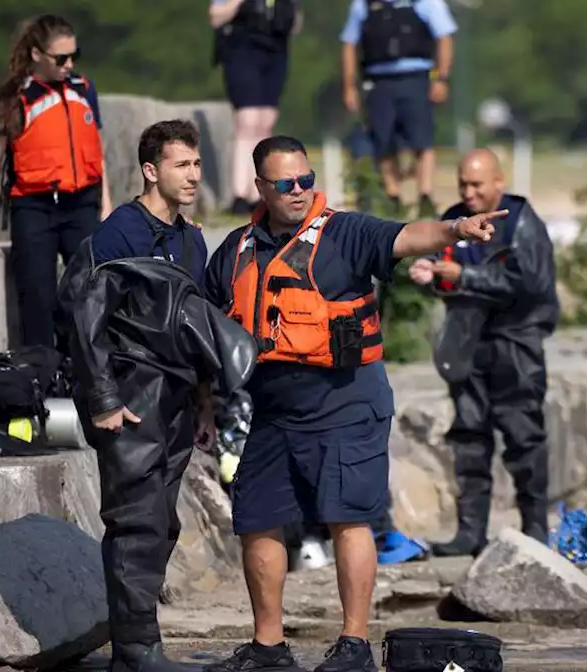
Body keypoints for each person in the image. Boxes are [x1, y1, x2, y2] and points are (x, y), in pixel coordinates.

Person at [202, 135, 503, 672]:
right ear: (261, 188)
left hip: (347, 404)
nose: (298, 191)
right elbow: (207, 330)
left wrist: (455, 229)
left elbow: (410, 236)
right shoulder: (235, 250)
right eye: (285, 184)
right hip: (272, 412)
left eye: (306, 180)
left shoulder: (345, 233)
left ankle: (354, 645)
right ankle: (269, 646)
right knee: (257, 520)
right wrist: (202, 401)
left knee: (348, 519)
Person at [59, 119, 229, 672]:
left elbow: (195, 325)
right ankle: (135, 652)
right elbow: (86, 320)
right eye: (182, 165)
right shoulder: (118, 234)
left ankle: (137, 642)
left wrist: (204, 402)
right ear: (151, 170)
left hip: (178, 399)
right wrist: (104, 400)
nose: (193, 175)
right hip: (130, 396)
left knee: (164, 521)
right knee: (138, 522)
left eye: (198, 164)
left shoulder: (191, 238)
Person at [408, 148, 558, 557]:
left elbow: (529, 286)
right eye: (463, 184)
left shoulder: (524, 224)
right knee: (469, 436)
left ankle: (536, 529)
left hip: (516, 342)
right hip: (467, 343)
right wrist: (429, 273)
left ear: (498, 183)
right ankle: (470, 532)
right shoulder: (454, 218)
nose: (469, 193)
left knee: (524, 436)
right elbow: (440, 264)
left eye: (477, 184)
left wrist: (463, 276)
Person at [0, 14, 114, 349]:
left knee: (89, 297)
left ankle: (86, 379)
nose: (69, 64)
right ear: (37, 55)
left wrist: (106, 204)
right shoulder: (13, 98)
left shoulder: (83, 89)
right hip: (35, 208)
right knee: (38, 301)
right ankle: (40, 379)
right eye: (61, 58)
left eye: (74, 56)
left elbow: (96, 154)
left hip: (82, 204)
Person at [339, 0, 457, 217]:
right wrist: (349, 86)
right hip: (378, 80)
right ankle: (393, 197)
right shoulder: (363, 5)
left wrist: (441, 77)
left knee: (422, 140)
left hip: (417, 77)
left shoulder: (425, 3)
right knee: (383, 141)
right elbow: (349, 44)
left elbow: (445, 37)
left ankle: (425, 196)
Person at [209, 0, 303, 215]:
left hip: (276, 50)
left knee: (265, 122)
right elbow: (216, 17)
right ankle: (240, 193)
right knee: (247, 121)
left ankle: (257, 194)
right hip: (243, 49)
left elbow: (296, 25)